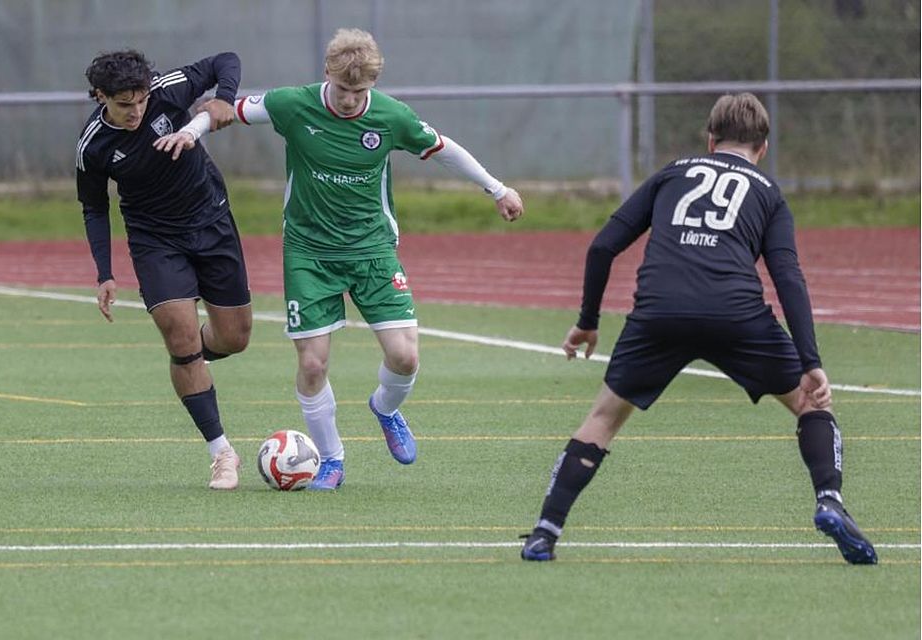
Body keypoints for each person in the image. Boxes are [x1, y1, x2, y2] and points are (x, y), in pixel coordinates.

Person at [519, 93, 877, 565]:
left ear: (710, 140)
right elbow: (788, 276)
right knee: (811, 404)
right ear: (763, 147)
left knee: (603, 418)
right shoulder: (769, 193)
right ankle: (829, 500)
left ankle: (545, 533)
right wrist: (810, 361)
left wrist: (588, 321)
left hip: (660, 312)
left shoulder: (672, 172)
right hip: (737, 313)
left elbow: (603, 247)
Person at [162, 28, 524, 490]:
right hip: (309, 253)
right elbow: (224, 111)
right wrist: (191, 131)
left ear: (372, 84)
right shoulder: (293, 104)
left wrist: (497, 189)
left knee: (405, 357)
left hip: (372, 249)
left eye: (360, 92)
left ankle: (385, 409)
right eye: (342, 90)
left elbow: (442, 149)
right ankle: (331, 460)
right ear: (327, 74)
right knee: (313, 365)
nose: (351, 100)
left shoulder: (391, 116)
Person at [76, 49, 253, 490]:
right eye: (124, 104)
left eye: (140, 101)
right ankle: (221, 452)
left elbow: (226, 60)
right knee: (180, 335)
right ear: (100, 96)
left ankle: (187, 356)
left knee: (235, 338)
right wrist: (104, 272)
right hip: (155, 240)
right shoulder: (93, 145)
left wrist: (223, 98)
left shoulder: (167, 88)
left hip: (211, 221)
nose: (136, 111)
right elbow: (94, 207)